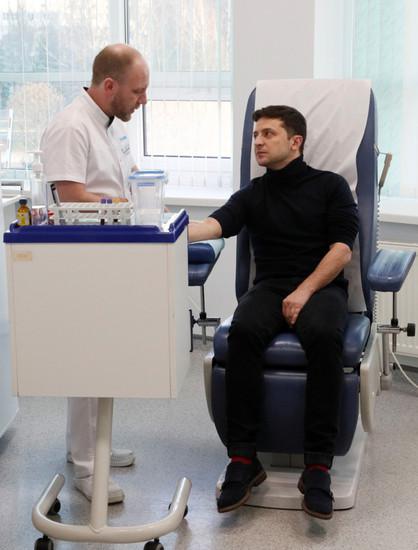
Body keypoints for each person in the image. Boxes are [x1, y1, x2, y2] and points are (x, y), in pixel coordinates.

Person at [188, 105, 359, 520]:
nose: (258, 142)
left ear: (295, 141)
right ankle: (243, 459)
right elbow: (215, 225)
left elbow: (341, 250)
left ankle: (317, 466)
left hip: (320, 286)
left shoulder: (331, 186)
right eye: (255, 135)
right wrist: (164, 229)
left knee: (324, 337)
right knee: (243, 331)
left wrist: (304, 291)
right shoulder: (254, 193)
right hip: (270, 287)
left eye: (268, 134)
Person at [41, 43, 149, 504]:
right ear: (109, 86)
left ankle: (91, 447)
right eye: (137, 91)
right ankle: (87, 468)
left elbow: (127, 179)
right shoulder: (71, 126)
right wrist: (121, 204)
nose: (143, 100)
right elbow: (70, 195)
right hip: (80, 260)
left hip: (109, 257)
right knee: (85, 360)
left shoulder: (110, 125)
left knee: (103, 358)